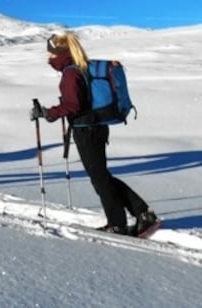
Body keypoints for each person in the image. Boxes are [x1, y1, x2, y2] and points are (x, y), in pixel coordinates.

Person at [31, 32, 159, 237]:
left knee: (100, 178)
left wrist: (48, 113)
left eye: (50, 54)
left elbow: (73, 105)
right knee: (101, 176)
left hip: (87, 130)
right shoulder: (79, 67)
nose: (48, 58)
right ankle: (139, 215)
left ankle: (125, 221)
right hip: (96, 126)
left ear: (60, 53)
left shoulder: (70, 73)